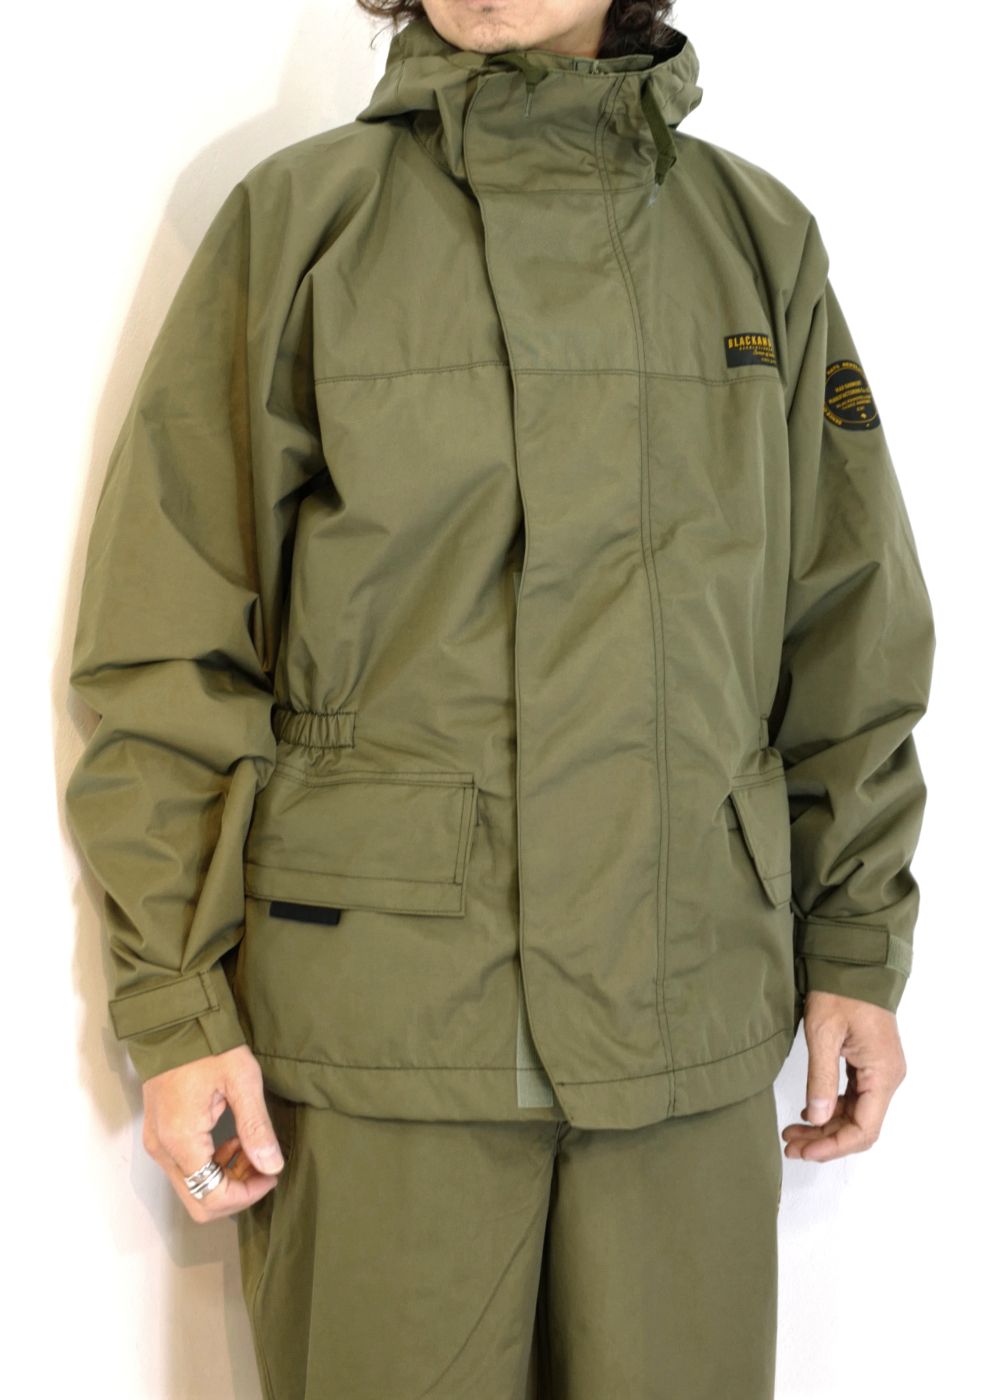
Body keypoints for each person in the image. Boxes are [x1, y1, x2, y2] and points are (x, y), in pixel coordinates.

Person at [64, 1, 935, 1396]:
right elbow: (170, 646)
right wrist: (175, 1005)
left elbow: (845, 626)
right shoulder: (305, 225)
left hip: (686, 1024)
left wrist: (857, 943)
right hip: (387, 1033)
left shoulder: (757, 242)